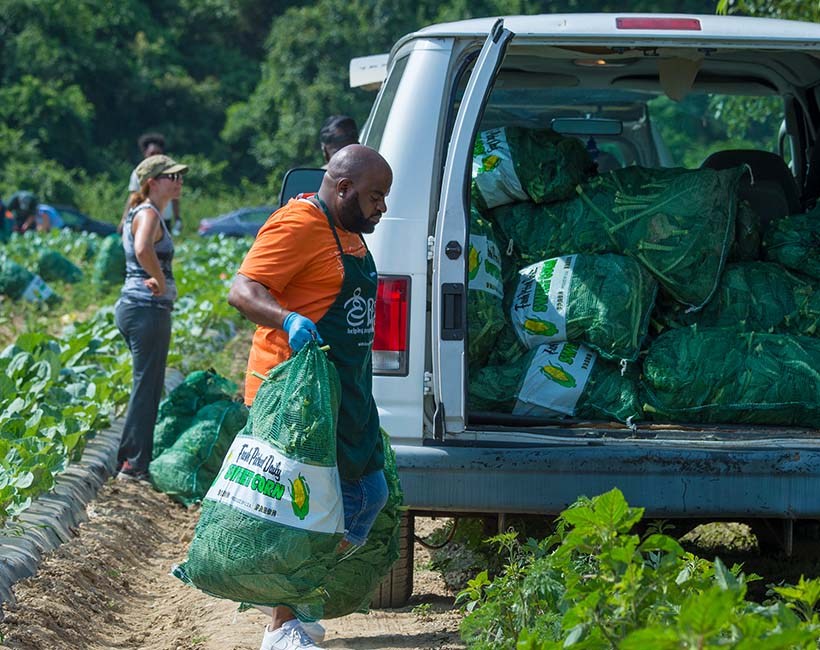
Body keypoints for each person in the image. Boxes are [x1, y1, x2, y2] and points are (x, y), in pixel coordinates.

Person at [227, 145, 392, 650]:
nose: (381, 208)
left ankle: (289, 601)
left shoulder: (351, 235)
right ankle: (282, 624)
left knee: (367, 495)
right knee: (315, 509)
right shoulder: (300, 222)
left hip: (343, 390)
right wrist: (286, 319)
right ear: (343, 188)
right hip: (295, 394)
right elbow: (243, 287)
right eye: (375, 197)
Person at [115, 154, 188, 481]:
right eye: (171, 176)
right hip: (147, 310)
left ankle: (132, 459)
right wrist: (158, 278)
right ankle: (133, 463)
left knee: (146, 383)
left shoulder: (145, 212)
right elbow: (144, 248)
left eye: (179, 176)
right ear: (152, 183)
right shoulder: (148, 213)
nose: (178, 181)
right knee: (147, 386)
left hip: (138, 308)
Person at [119, 133, 183, 235]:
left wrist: (177, 218)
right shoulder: (138, 173)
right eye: (152, 153)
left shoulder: (167, 172)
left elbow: (174, 197)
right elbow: (133, 196)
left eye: (158, 153)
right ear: (145, 154)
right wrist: (124, 218)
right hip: (147, 216)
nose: (155, 156)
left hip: (165, 218)